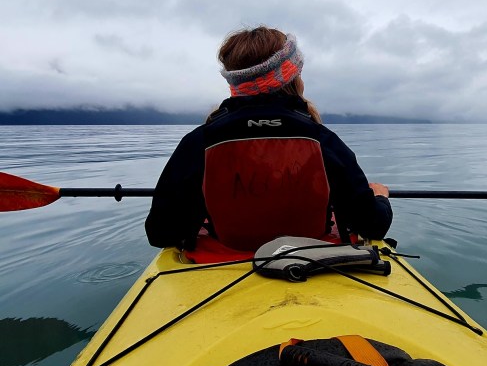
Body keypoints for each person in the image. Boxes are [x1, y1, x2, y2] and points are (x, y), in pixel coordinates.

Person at [145, 27, 392, 254]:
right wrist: (379, 197)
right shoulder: (323, 140)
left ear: (235, 83)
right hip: (310, 262)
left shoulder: (199, 142)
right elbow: (373, 226)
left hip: (223, 265)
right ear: (292, 78)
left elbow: (161, 232)